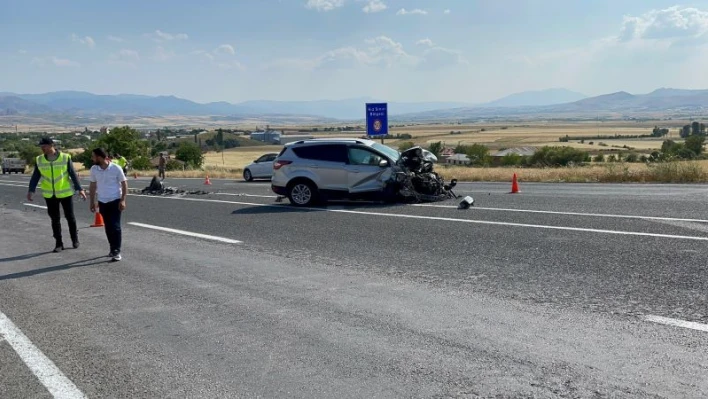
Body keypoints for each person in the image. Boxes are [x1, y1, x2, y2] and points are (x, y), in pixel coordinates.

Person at [27, 137, 87, 252]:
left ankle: (75, 239)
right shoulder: (39, 160)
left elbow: (73, 174)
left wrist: (80, 189)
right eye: (41, 147)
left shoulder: (65, 157)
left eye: (44, 146)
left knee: (70, 217)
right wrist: (31, 190)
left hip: (65, 192)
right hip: (50, 194)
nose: (42, 148)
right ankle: (59, 243)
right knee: (55, 219)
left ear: (51, 145)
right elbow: (35, 176)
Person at [88, 147, 128, 261]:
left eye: (93, 156)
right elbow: (93, 186)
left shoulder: (116, 168)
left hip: (115, 200)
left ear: (99, 157)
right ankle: (112, 248)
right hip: (102, 201)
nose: (92, 158)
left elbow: (124, 184)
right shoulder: (94, 169)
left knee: (115, 226)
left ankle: (117, 250)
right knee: (108, 227)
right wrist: (92, 202)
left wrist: (123, 199)